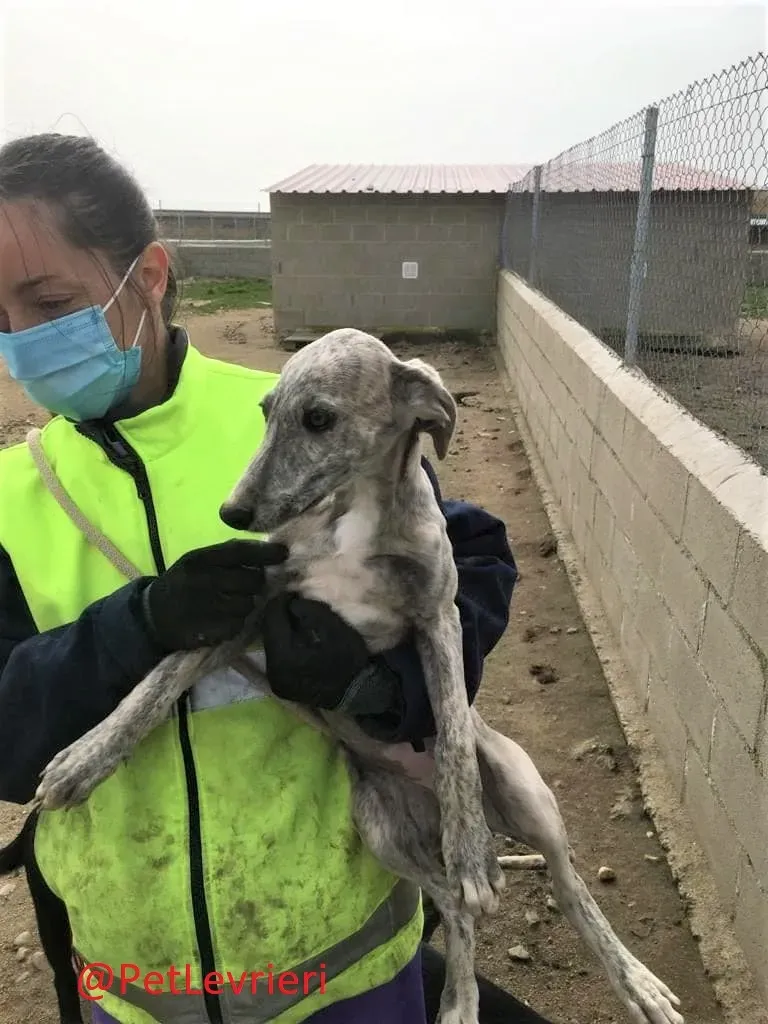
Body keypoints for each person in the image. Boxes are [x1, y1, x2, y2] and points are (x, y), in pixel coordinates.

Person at [0, 132, 542, 1024]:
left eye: (50, 301)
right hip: (135, 992)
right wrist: (135, 625)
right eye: (0, 316)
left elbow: (469, 560)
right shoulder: (17, 497)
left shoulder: (292, 417)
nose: (23, 341)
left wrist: (381, 684)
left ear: (150, 277)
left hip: (343, 970)